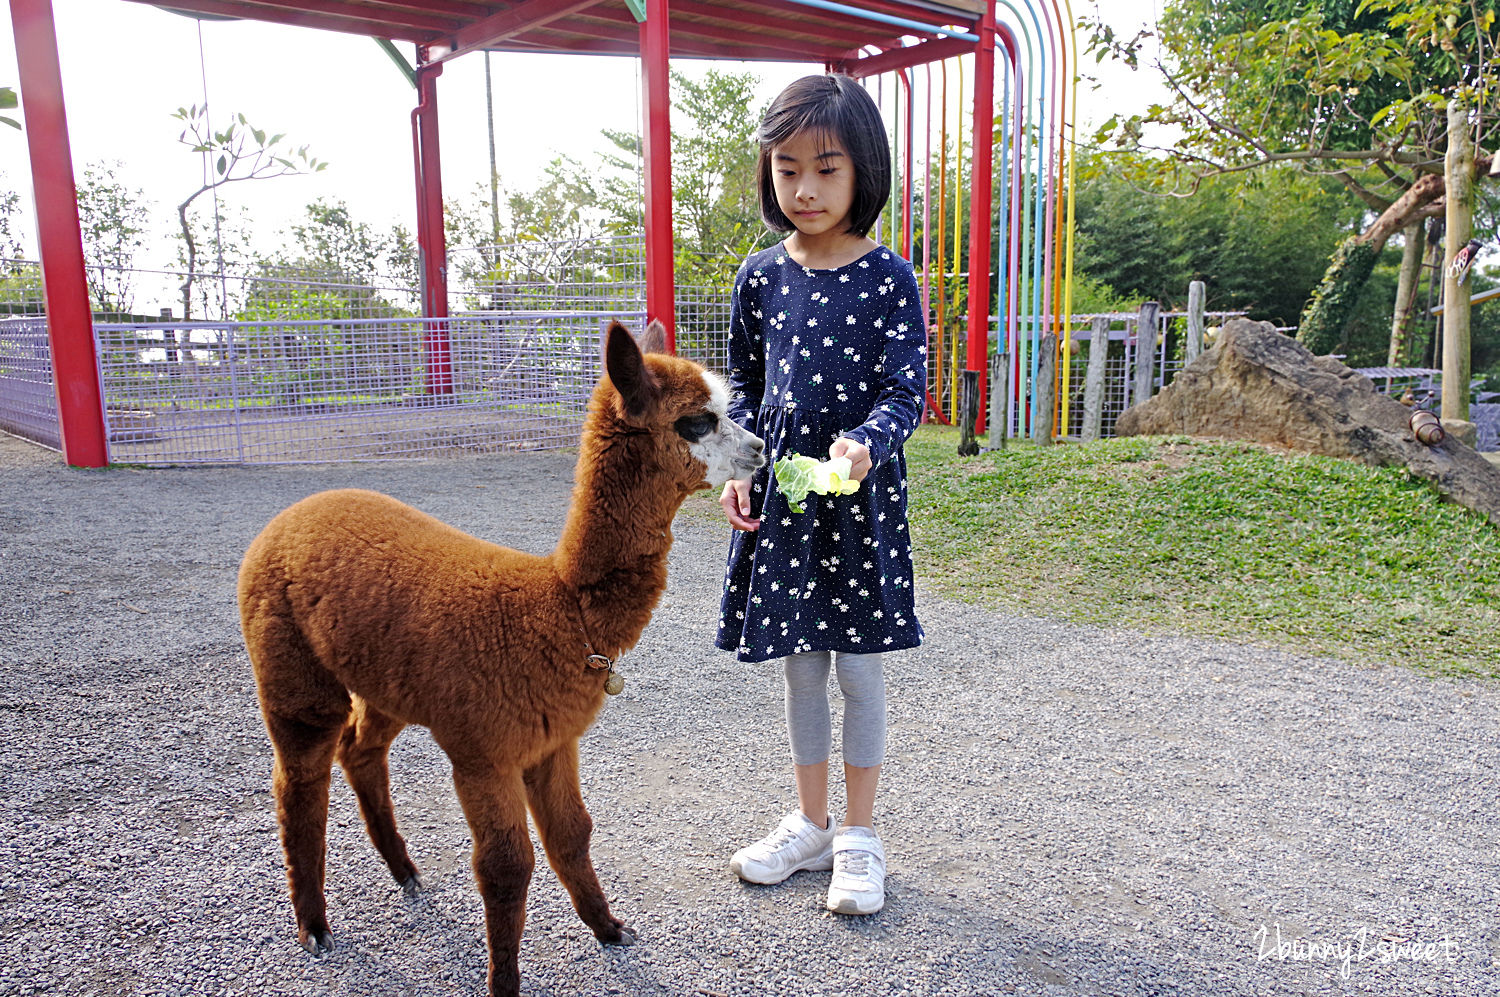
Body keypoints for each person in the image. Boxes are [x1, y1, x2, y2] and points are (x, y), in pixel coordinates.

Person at [715, 73, 927, 916]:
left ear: (862, 172)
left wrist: (866, 443)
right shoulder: (759, 277)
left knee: (861, 675)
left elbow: (906, 391)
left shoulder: (888, 278)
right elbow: (741, 383)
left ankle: (861, 839)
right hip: (786, 502)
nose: (804, 187)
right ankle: (810, 824)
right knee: (803, 671)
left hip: (858, 499)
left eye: (827, 169)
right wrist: (737, 470)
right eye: (787, 166)